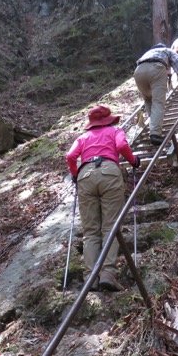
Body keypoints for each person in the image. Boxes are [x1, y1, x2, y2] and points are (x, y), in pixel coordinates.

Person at [66, 105, 140, 292]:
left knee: (90, 230)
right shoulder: (115, 130)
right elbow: (122, 146)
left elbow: (70, 156)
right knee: (110, 226)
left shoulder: (83, 138)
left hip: (85, 176)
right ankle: (107, 272)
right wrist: (133, 161)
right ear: (108, 120)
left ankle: (91, 277)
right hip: (109, 172)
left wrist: (75, 174)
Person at [133, 44, 178, 145]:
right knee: (158, 101)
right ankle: (155, 134)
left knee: (148, 99)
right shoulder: (167, 51)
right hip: (156, 69)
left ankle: (154, 127)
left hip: (138, 72)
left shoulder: (148, 54)